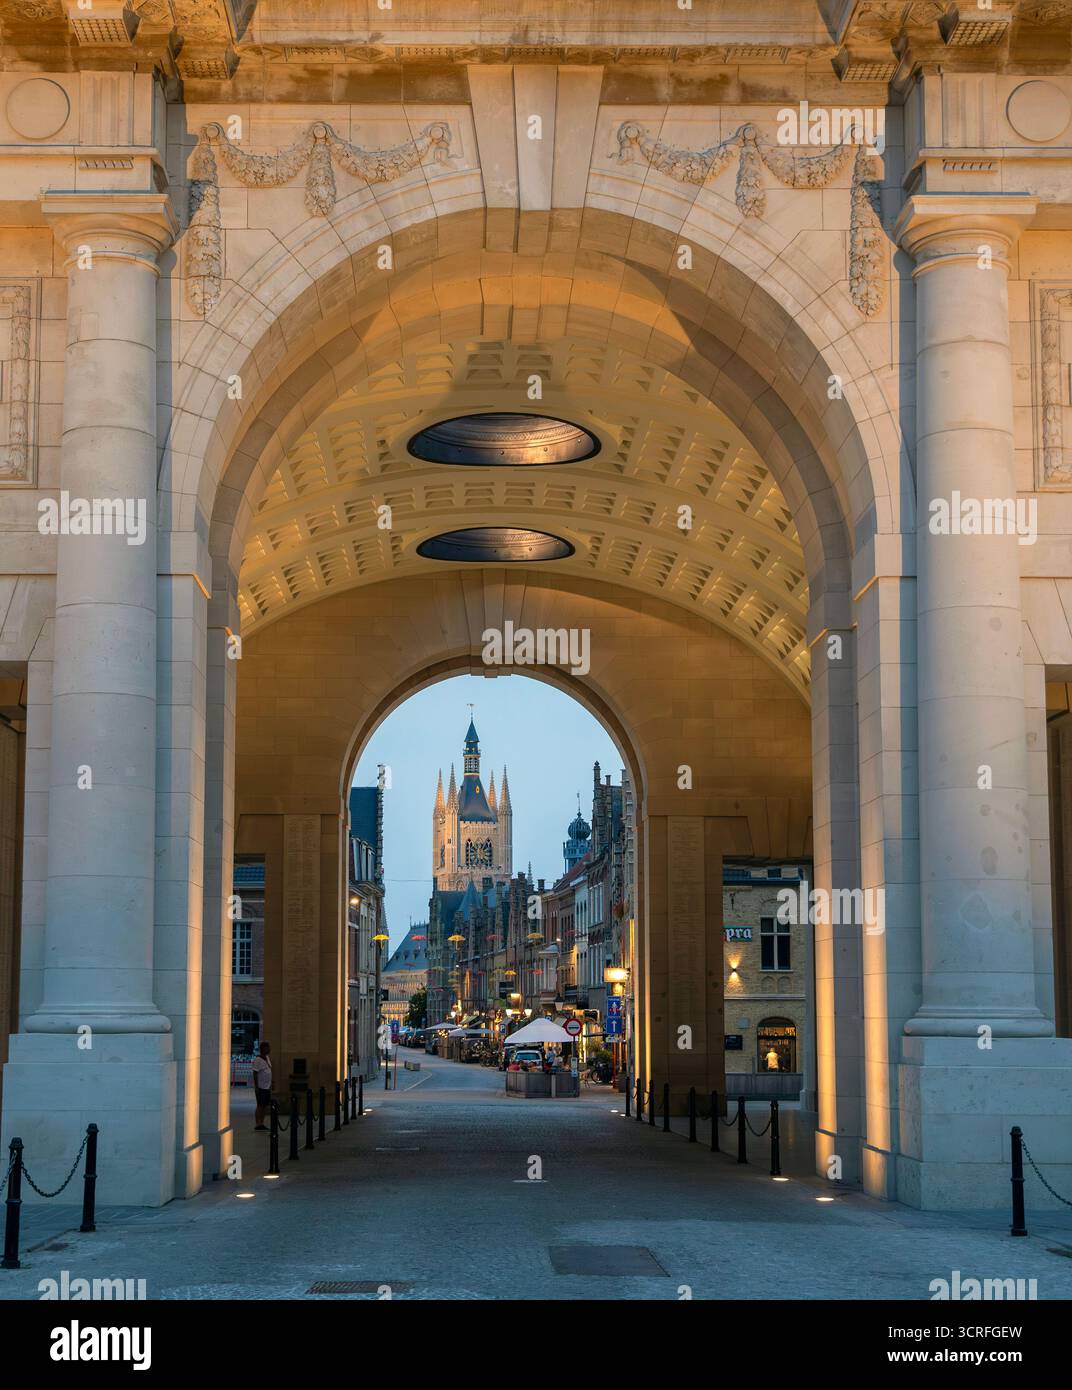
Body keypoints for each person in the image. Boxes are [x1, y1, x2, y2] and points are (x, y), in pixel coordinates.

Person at [252, 1041, 272, 1129]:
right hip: (261, 1087)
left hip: (267, 1087)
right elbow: (255, 1073)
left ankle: (262, 1123)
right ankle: (257, 1123)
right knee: (260, 1105)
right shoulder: (258, 1060)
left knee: (264, 1105)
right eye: (267, 1047)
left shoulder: (267, 1057)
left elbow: (269, 1070)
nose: (269, 1049)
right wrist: (256, 1086)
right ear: (263, 1049)